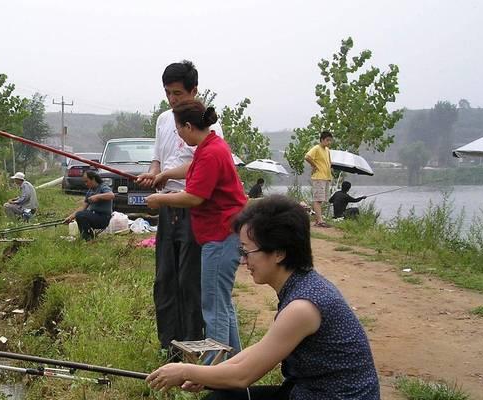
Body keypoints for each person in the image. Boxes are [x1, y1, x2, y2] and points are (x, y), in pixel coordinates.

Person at [146, 195, 380, 400]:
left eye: (247, 251)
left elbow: (243, 376)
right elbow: (260, 350)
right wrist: (208, 376)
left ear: (278, 253)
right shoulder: (302, 285)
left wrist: (186, 371)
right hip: (306, 391)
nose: (243, 261)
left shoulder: (303, 307)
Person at [136, 60, 226, 355]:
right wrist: (154, 173)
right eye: (168, 93)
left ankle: (191, 345)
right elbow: (157, 158)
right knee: (165, 278)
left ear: (194, 90)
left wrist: (165, 178)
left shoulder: (208, 124)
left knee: (190, 281)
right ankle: (169, 345)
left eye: (178, 93)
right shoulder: (164, 120)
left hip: (193, 207)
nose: (173, 99)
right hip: (167, 207)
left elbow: (203, 165)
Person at [146, 99, 247, 362]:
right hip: (223, 234)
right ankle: (235, 365)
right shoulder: (209, 146)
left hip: (221, 236)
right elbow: (191, 169)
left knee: (212, 307)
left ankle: (213, 371)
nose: (178, 135)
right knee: (223, 305)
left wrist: (160, 199)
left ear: (188, 127)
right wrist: (164, 175)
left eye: (178, 130)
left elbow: (194, 197)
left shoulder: (212, 152)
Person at [63, 170, 114, 241]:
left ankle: (88, 238)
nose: (85, 184)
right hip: (94, 216)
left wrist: (97, 196)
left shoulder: (103, 186)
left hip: (103, 218)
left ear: (93, 179)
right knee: (80, 214)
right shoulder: (90, 191)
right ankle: (86, 237)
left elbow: (111, 195)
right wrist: (71, 217)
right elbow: (83, 207)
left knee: (81, 215)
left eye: (86, 181)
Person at [304, 131, 333, 227]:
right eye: (327, 140)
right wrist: (314, 165)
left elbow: (329, 162)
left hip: (326, 177)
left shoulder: (327, 150)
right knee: (318, 199)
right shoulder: (317, 148)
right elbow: (307, 157)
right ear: (322, 140)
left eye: (330, 140)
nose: (329, 142)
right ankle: (320, 221)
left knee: (322, 199)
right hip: (319, 177)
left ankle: (318, 220)